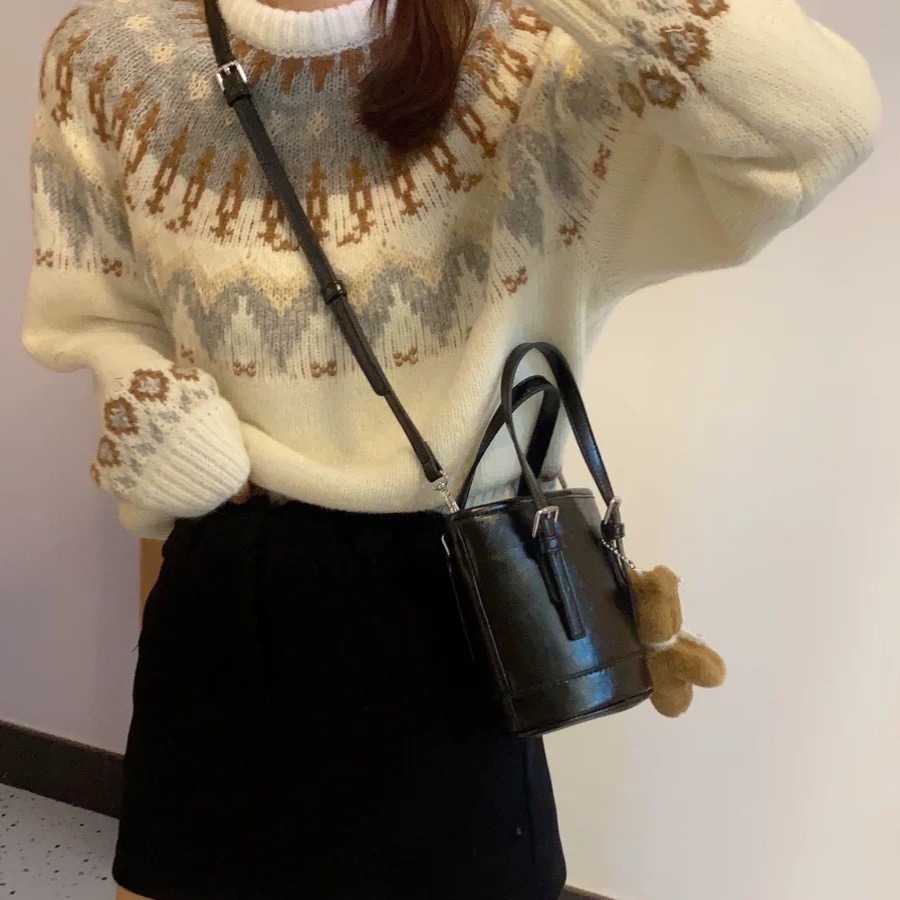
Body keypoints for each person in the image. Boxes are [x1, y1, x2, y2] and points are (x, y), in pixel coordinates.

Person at [22, 0, 881, 897]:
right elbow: (93, 306)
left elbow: (820, 125)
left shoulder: (540, 54)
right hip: (226, 578)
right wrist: (151, 407)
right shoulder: (109, 54)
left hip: (464, 606)